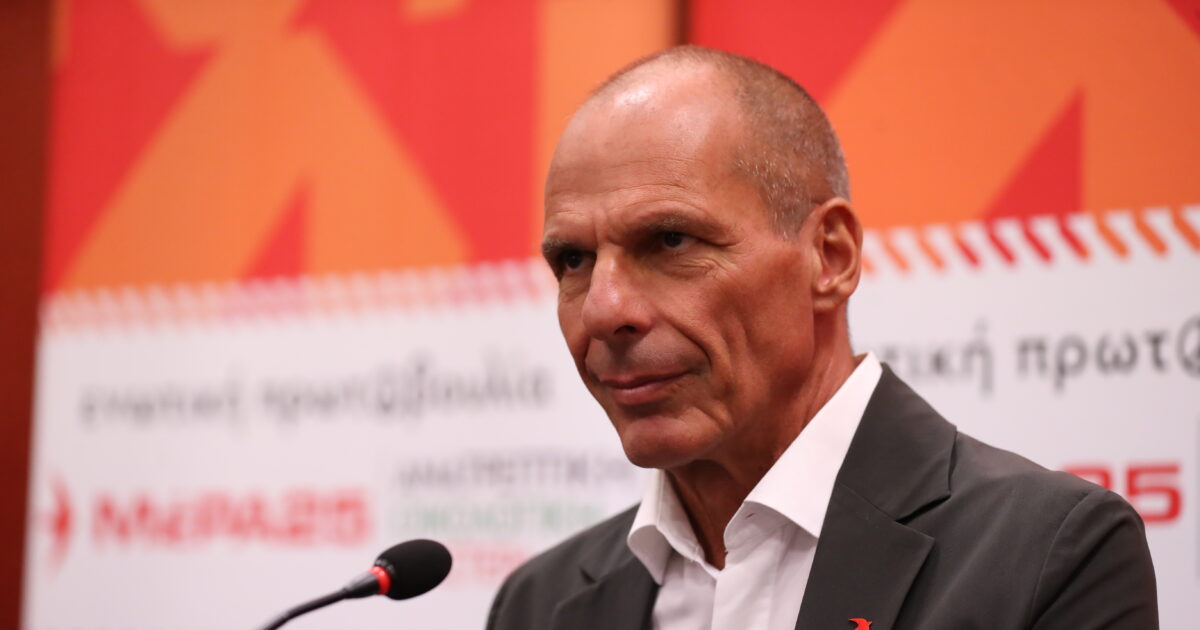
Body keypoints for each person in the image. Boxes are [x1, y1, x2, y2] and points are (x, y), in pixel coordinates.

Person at [487, 46, 1157, 630]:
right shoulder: (536, 604)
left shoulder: (1050, 553)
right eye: (573, 260)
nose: (603, 310)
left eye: (670, 241)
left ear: (829, 257)